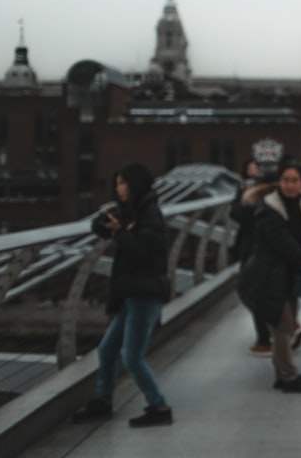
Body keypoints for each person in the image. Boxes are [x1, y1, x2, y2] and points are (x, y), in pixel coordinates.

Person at [72, 162, 174, 428]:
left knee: (131, 357)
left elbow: (144, 254)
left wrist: (120, 233)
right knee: (107, 351)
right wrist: (113, 220)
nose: (118, 188)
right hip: (130, 294)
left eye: (122, 183)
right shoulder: (132, 213)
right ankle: (103, 401)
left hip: (144, 295)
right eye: (116, 183)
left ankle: (159, 406)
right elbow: (97, 226)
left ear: (135, 184)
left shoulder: (150, 214)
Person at [236, 161, 301, 393]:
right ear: (279, 183)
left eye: (294, 180)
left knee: (286, 324)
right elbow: (285, 246)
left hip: (288, 277)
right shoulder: (268, 211)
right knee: (283, 327)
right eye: (285, 180)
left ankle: (280, 375)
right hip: (267, 277)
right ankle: (290, 377)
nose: (289, 185)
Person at [229, 158, 272, 356]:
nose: (253, 170)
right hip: (252, 247)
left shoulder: (265, 192)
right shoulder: (244, 190)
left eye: (255, 167)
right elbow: (235, 212)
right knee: (253, 290)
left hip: (259, 247)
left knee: (256, 290)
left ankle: (267, 336)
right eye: (250, 167)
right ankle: (270, 333)